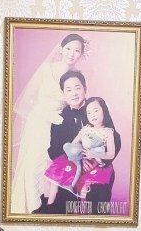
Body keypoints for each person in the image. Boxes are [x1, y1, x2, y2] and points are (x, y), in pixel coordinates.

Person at [10, 33, 87, 214]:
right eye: (68, 49)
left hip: (60, 126)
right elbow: (28, 98)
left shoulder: (76, 77)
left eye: (77, 51)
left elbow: (78, 101)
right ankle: (29, 209)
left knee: (51, 170)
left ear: (81, 54)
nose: (72, 54)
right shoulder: (47, 69)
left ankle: (44, 210)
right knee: (32, 168)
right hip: (39, 123)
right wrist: (44, 114)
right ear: (61, 49)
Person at [37, 72, 121, 214]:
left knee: (98, 207)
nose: (74, 93)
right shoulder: (59, 118)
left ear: (85, 88)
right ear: (63, 93)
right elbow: (54, 150)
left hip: (97, 166)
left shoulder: (95, 109)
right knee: (61, 206)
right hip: (71, 167)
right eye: (68, 90)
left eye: (77, 88)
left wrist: (96, 160)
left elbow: (115, 140)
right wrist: (77, 161)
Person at [45, 96, 118, 203]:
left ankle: (84, 196)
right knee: (57, 176)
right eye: (89, 113)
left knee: (91, 190)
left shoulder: (108, 132)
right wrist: (79, 155)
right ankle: (49, 205)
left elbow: (111, 154)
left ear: (104, 110)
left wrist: (94, 155)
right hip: (80, 160)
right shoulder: (86, 129)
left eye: (96, 111)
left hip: (96, 164)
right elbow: (73, 144)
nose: (92, 115)